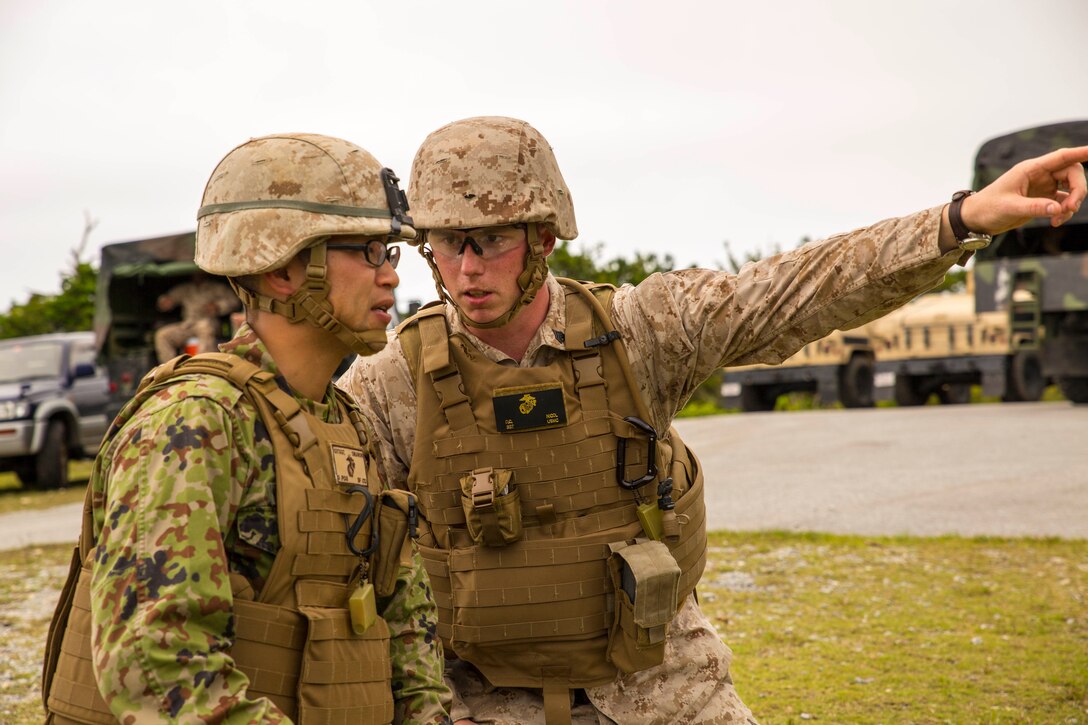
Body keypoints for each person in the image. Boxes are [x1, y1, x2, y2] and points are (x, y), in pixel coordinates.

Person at [337, 116, 1088, 725]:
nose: (466, 267)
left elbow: (796, 289)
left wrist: (960, 220)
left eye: (489, 240)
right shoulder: (391, 382)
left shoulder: (639, 331)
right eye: (445, 241)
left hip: (664, 693)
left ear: (542, 236)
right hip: (487, 704)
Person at [43, 133, 454, 724]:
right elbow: (156, 662)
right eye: (367, 251)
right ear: (285, 269)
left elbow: (405, 630)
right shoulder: (193, 424)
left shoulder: (345, 422)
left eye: (389, 254)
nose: (390, 276)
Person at [153, 271, 240, 362]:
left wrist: (217, 306)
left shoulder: (216, 287)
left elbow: (234, 300)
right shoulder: (186, 288)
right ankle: (170, 367)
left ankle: (202, 364)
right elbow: (168, 298)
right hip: (188, 324)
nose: (197, 275)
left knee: (205, 327)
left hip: (209, 322)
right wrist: (165, 302)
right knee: (162, 335)